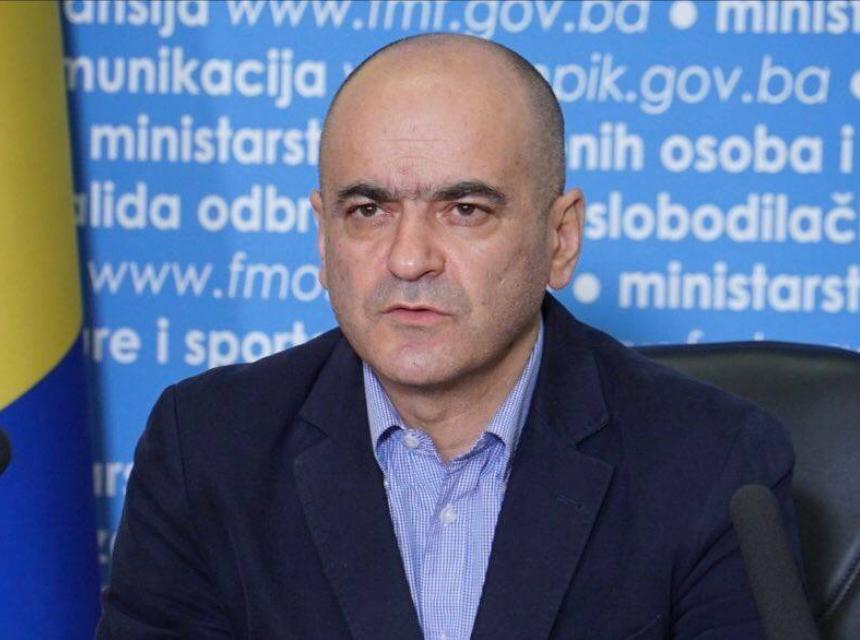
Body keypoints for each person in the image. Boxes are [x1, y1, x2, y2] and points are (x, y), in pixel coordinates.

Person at [97, 34, 805, 640]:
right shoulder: (208, 449)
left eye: (464, 209)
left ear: (561, 238)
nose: (409, 259)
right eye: (367, 210)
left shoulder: (713, 461)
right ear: (323, 236)